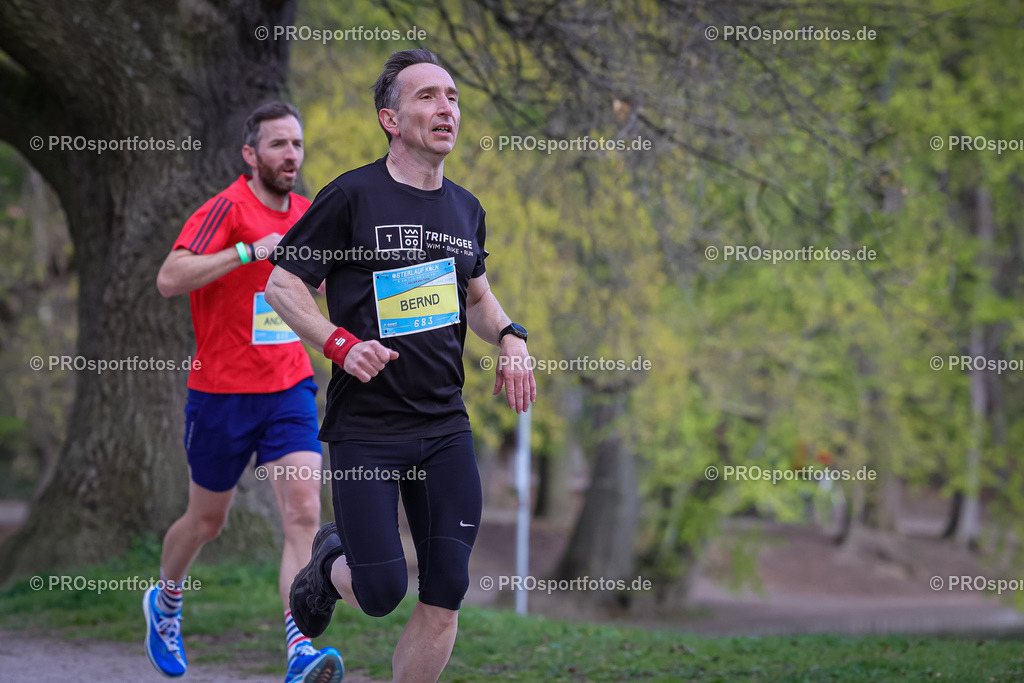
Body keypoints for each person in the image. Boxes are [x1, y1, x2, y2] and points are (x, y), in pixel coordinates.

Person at [263, 49, 536, 682]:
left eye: (453, 97)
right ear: (390, 119)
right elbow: (282, 284)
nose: (447, 108)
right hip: (367, 428)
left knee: (446, 592)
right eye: (427, 97)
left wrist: (512, 337)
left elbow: (478, 298)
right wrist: (338, 343)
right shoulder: (352, 196)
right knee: (381, 591)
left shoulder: (466, 209)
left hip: (443, 427)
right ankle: (328, 563)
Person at [146, 102, 343, 683]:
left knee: (304, 512)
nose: (291, 155)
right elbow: (169, 278)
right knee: (207, 520)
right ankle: (165, 602)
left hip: (289, 386)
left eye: (297, 144)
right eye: (278, 144)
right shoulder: (226, 208)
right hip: (222, 393)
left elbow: (327, 287)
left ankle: (300, 649)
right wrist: (247, 251)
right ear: (250, 154)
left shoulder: (308, 214)